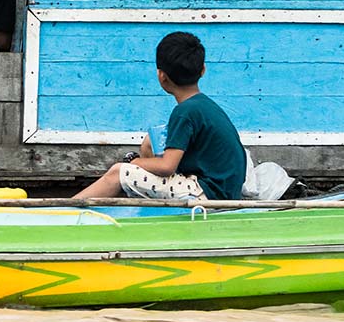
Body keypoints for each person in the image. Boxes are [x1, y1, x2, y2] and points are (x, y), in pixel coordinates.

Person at [74, 32, 246, 201]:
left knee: (118, 172)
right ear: (203, 70)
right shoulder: (204, 106)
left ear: (161, 77)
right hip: (224, 190)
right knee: (149, 142)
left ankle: (65, 211)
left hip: (206, 193)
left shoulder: (184, 112)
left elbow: (167, 167)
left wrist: (134, 163)